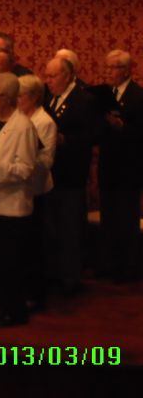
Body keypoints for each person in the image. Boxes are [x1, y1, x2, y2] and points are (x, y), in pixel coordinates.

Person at [0, 72, 37, 327]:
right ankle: (4, 307)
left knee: (11, 263)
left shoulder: (23, 126)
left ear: (10, 98)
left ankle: (15, 311)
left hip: (13, 206)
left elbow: (25, 169)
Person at [43, 57, 97, 295]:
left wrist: (65, 140)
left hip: (72, 174)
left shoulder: (84, 100)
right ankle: (55, 273)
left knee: (70, 227)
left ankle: (71, 278)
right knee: (53, 227)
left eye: (53, 76)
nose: (48, 81)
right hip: (51, 174)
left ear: (67, 75)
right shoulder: (49, 99)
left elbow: (92, 136)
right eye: (47, 76)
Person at [97, 50, 143, 283]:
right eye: (107, 67)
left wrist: (120, 126)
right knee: (109, 217)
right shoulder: (107, 94)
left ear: (126, 70)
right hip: (108, 166)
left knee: (126, 219)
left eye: (114, 67)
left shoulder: (138, 95)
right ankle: (109, 264)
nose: (109, 72)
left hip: (129, 168)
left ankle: (129, 268)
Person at [18, 74, 57, 311]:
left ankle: (36, 293)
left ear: (33, 97)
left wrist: (26, 154)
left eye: (20, 96)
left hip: (37, 190)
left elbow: (46, 161)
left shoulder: (45, 122)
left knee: (34, 243)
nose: (17, 100)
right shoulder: (18, 118)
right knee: (21, 244)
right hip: (18, 189)